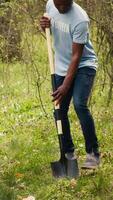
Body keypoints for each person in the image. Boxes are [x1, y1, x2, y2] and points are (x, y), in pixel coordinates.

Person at [40, 0, 100, 169]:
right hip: (60, 66)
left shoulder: (80, 19)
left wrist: (66, 85)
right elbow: (51, 34)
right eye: (58, 5)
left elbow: (76, 56)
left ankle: (93, 154)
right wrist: (43, 26)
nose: (61, 8)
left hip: (83, 65)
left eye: (65, 5)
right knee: (59, 109)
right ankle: (67, 153)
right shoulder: (50, 6)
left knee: (80, 104)